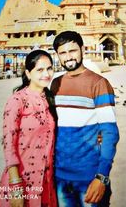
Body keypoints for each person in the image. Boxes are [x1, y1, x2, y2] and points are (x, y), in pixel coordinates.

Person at [51, 31, 119, 207]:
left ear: (82, 49)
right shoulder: (55, 84)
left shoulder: (98, 83)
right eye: (63, 53)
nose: (68, 57)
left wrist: (102, 177)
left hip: (89, 176)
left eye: (72, 50)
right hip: (60, 176)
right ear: (57, 55)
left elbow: (110, 132)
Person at [0, 50, 57, 207]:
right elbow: (9, 145)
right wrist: (16, 186)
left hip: (47, 181)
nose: (46, 74)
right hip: (22, 181)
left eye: (49, 68)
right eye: (40, 70)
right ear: (28, 73)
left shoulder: (51, 99)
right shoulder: (17, 100)